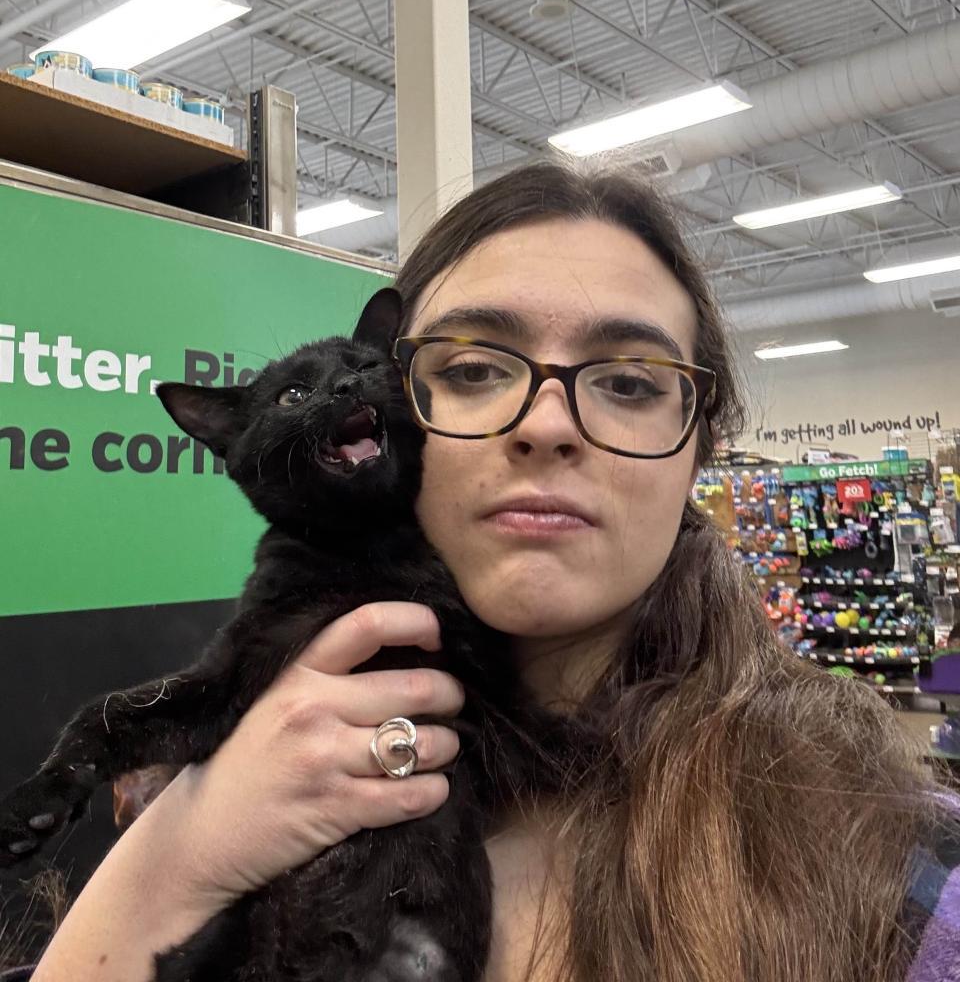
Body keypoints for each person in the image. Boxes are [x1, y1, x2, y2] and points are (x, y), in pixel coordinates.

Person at [6, 160, 960, 982]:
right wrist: (175, 864)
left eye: (629, 382)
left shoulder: (892, 862)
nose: (546, 424)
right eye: (471, 370)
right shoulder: (230, 774)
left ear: (698, 448)